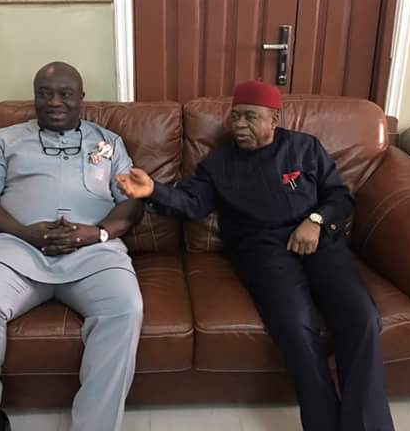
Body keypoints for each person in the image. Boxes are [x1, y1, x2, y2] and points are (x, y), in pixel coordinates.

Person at [115, 80, 395, 431]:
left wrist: (316, 220)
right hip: (263, 251)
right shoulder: (219, 163)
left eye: (250, 117)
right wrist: (153, 189)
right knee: (296, 326)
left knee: (362, 317)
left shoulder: (305, 148)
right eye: (235, 117)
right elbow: (192, 202)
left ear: (274, 119)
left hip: (319, 241)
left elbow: (339, 196)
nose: (239, 125)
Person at [0, 62, 144, 431]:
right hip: (17, 247)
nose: (54, 102)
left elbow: (132, 203)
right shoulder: (4, 140)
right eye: (45, 93)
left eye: (65, 94)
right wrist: (26, 233)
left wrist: (96, 233)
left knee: (125, 307)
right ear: (34, 97)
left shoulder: (110, 143)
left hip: (93, 251)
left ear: (81, 98)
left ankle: (95, 426)